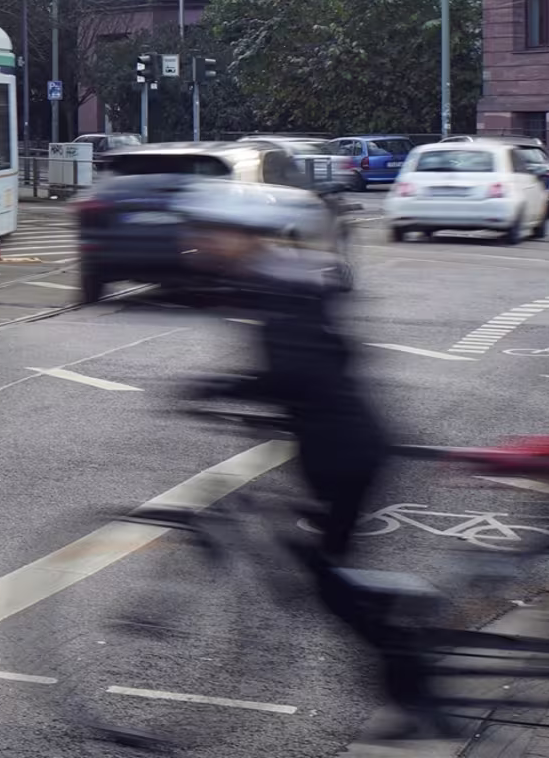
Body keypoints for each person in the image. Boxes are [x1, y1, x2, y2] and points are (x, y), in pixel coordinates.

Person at [172, 186, 441, 734]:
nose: (198, 243)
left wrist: (220, 388)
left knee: (325, 579)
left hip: (341, 450)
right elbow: (330, 359)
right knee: (325, 568)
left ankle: (413, 682)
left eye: (209, 232)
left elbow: (300, 371)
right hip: (342, 440)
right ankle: (401, 639)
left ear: (242, 237)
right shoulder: (281, 277)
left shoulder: (276, 286)